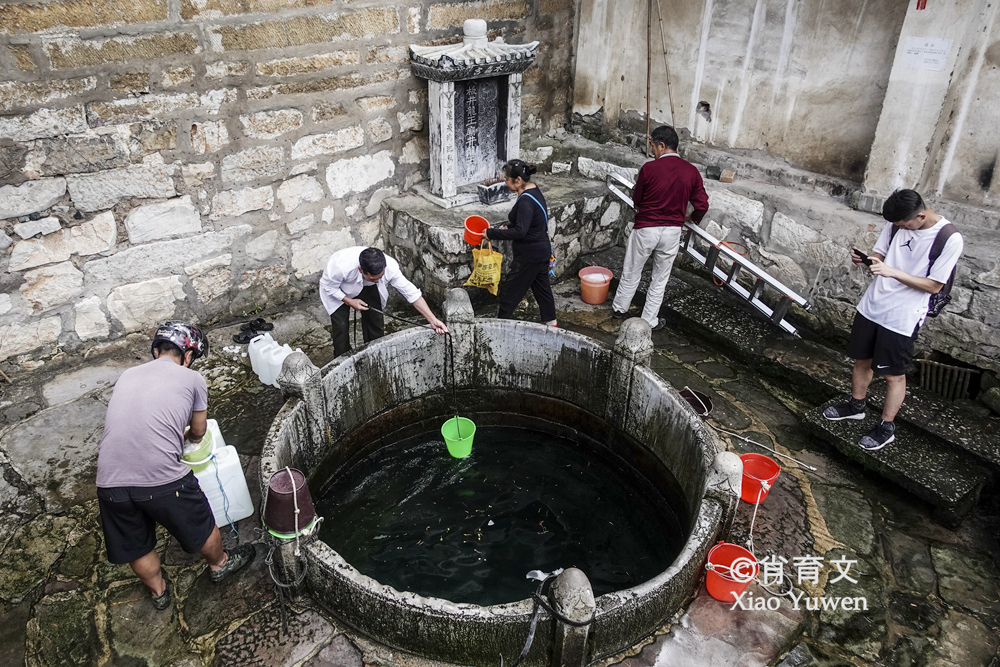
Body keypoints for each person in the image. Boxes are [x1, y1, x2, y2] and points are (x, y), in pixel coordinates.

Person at [96, 321, 255, 611]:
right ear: (188, 356)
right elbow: (197, 432)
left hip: (109, 482)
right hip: (162, 480)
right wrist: (185, 435)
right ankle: (220, 565)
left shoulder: (127, 375)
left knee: (136, 544)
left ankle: (159, 592)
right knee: (201, 522)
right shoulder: (192, 380)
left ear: (156, 350)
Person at [823, 189, 963, 451]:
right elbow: (882, 257)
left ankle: (886, 427)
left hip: (902, 316)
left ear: (920, 215)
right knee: (862, 360)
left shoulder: (949, 239)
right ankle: (856, 406)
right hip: (873, 305)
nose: (899, 227)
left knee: (893, 375)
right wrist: (868, 260)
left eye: (903, 224)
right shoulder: (896, 222)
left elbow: (933, 285)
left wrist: (892, 272)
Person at [612, 125, 709, 330]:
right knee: (660, 277)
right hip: (672, 231)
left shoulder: (649, 168)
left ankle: (620, 309)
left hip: (647, 228)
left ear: (662, 146)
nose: (652, 151)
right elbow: (702, 205)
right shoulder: (691, 171)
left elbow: (637, 199)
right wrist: (691, 216)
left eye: (653, 147)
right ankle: (649, 320)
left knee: (632, 270)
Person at [319, 246, 449, 357]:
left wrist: (433, 320)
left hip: (366, 287)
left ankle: (375, 354)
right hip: (337, 289)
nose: (377, 281)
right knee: (340, 327)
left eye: (380, 278)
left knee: (375, 320)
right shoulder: (339, 266)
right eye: (373, 278)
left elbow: (412, 294)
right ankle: (342, 358)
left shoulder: (390, 267)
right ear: (360, 270)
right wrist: (349, 301)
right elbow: (328, 286)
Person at [482, 159, 558, 326]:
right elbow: (527, 223)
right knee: (543, 292)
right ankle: (552, 327)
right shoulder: (533, 190)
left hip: (529, 256)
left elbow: (521, 231)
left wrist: (491, 233)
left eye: (506, 179)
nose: (505, 182)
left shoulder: (525, 201)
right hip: (541, 251)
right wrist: (508, 226)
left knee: (509, 293)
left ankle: (499, 328)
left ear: (517, 181)